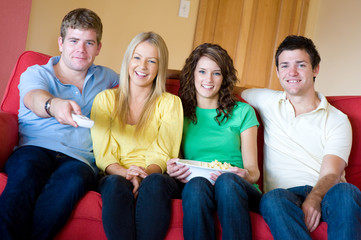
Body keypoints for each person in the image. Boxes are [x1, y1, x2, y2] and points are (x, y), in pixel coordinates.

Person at [0, 8, 118, 240]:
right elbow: (33, 98)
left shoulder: (108, 77)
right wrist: (53, 106)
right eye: (74, 41)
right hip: (34, 148)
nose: (81, 50)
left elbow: (141, 79)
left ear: (98, 48)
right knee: (25, 175)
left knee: (71, 183)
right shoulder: (37, 72)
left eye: (89, 43)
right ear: (61, 43)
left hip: (80, 159)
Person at [241, 35, 361, 239]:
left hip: (328, 193)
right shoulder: (267, 100)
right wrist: (177, 75)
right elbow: (229, 89)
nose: (292, 72)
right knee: (271, 199)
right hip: (284, 196)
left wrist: (315, 198)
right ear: (278, 72)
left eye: (301, 65)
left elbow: (331, 174)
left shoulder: (337, 119)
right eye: (285, 65)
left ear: (315, 69)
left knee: (347, 192)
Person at [90, 31, 183, 240]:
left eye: (152, 61)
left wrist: (143, 175)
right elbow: (104, 155)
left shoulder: (170, 103)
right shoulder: (104, 100)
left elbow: (163, 153)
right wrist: (126, 174)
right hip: (115, 174)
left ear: (160, 67)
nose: (142, 66)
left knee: (155, 183)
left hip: (155, 175)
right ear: (128, 60)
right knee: (114, 185)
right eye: (137, 57)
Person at [167, 43, 262, 240]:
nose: (208, 80)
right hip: (197, 183)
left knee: (227, 182)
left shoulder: (243, 112)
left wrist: (245, 175)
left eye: (216, 73)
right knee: (196, 185)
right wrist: (173, 170)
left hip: (237, 186)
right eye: (202, 71)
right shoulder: (180, 113)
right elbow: (180, 160)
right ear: (192, 74)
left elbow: (253, 172)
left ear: (224, 78)